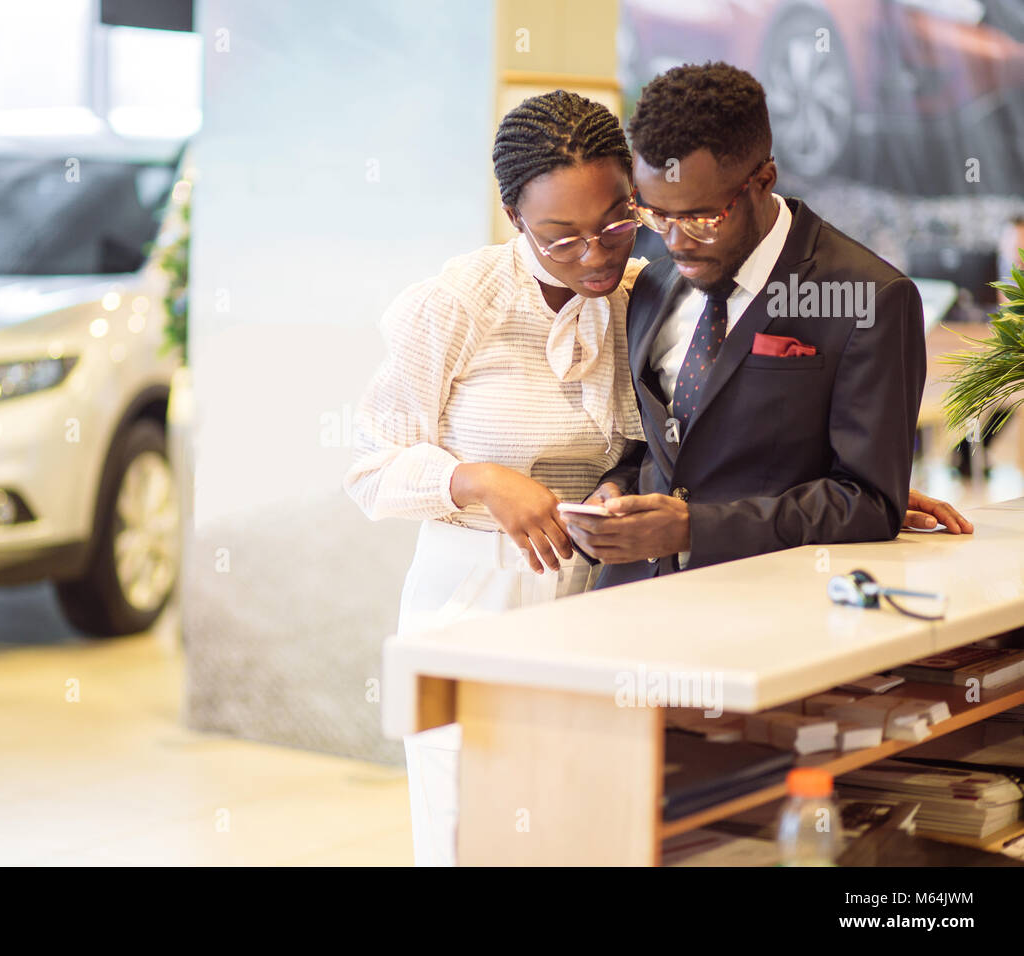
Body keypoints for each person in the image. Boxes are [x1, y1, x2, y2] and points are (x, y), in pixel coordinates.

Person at [345, 89, 968, 866]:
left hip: (607, 601)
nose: (594, 255)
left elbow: (683, 442)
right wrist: (477, 480)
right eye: (559, 238)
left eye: (614, 223)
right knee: (471, 828)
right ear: (514, 219)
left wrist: (855, 488)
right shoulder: (453, 306)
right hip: (478, 596)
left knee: (585, 827)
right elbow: (369, 465)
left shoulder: (647, 292)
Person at [563, 63, 974, 581]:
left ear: (763, 180)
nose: (676, 243)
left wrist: (696, 527)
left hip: (768, 610)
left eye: (701, 218)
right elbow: (659, 447)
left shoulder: (869, 298)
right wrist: (617, 490)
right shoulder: (652, 286)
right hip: (626, 600)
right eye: (656, 215)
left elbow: (869, 500)